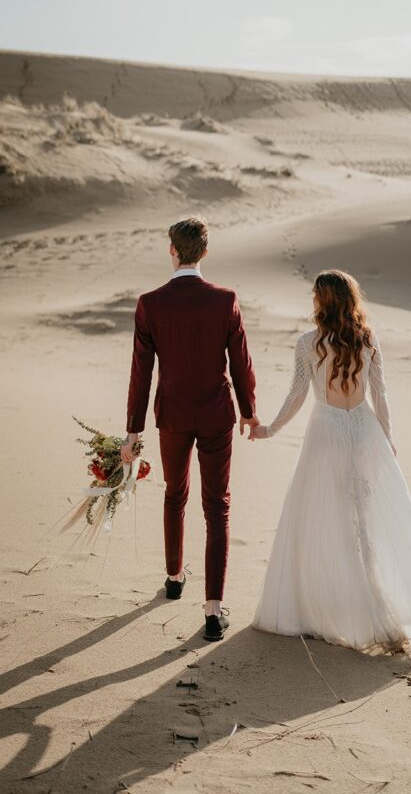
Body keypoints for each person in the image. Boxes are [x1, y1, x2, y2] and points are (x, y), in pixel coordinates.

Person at [249, 269, 411, 653]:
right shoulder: (367, 338)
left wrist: (271, 429)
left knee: (324, 516)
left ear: (320, 301)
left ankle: (336, 604)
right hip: (363, 429)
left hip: (324, 432)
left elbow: (296, 395)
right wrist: (387, 439)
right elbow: (380, 394)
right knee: (366, 516)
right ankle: (371, 595)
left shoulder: (308, 342)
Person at [121, 216, 258, 641]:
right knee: (217, 506)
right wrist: (249, 411)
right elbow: (241, 362)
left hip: (173, 416)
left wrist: (132, 430)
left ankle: (175, 577)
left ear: (172, 250)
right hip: (216, 414)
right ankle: (213, 611)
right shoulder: (225, 299)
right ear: (205, 251)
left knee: (174, 494)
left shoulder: (151, 302)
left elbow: (141, 373)